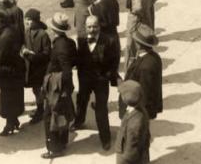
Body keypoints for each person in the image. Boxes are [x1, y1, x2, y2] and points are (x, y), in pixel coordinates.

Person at [73, 15, 119, 151]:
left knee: (101, 109)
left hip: (101, 81)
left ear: (99, 27)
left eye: (94, 26)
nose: (92, 30)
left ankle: (105, 138)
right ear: (85, 27)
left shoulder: (110, 41)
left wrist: (107, 76)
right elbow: (78, 58)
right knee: (81, 100)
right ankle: (79, 121)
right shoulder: (81, 40)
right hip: (85, 78)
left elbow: (114, 61)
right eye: (89, 27)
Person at [40, 13, 77, 159]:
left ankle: (54, 149)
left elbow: (66, 69)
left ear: (53, 29)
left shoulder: (59, 45)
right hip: (61, 85)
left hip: (57, 85)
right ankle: (63, 141)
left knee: (50, 116)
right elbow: (73, 62)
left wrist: (62, 89)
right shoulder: (69, 42)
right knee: (61, 113)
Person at [0, 10, 25, 136]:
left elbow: (1, 56)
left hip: (7, 71)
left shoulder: (6, 36)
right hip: (14, 68)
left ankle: (9, 125)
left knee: (7, 99)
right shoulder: (10, 30)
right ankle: (14, 120)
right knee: (14, 96)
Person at [122, 24, 163, 120]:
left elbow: (145, 92)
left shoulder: (145, 67)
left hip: (141, 110)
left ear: (138, 44)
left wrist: (134, 109)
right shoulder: (154, 57)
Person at [125, 0, 161, 70]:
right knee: (143, 41)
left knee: (131, 45)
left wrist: (133, 13)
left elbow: (138, 8)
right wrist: (149, 4)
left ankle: (129, 69)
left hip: (135, 19)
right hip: (147, 17)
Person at [21, 8, 51, 125]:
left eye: (29, 20)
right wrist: (23, 50)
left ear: (36, 21)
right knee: (35, 89)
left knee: (39, 90)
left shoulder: (43, 35)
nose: (27, 22)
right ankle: (40, 108)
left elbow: (47, 53)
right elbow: (22, 44)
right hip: (30, 68)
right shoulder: (27, 32)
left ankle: (41, 111)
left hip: (40, 68)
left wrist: (35, 56)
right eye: (26, 20)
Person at [115, 80, 150, 164]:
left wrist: (123, 160)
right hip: (139, 153)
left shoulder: (135, 122)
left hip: (128, 157)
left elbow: (132, 148)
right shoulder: (139, 109)